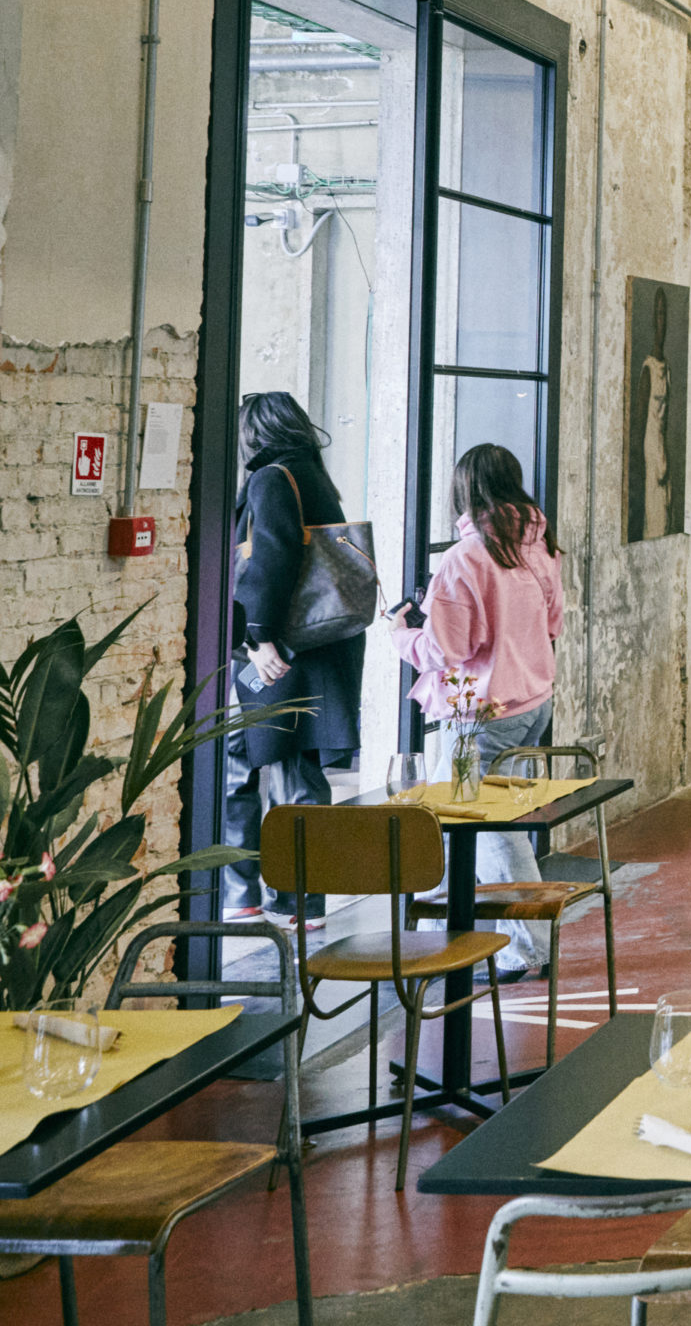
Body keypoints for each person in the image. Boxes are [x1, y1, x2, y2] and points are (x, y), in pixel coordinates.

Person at [388, 443, 565, 977]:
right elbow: (553, 622)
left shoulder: (466, 557)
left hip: (481, 714)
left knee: (486, 827)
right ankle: (447, 932)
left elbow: (448, 649)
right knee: (458, 819)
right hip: (533, 701)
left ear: (464, 490)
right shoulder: (539, 546)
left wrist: (402, 635)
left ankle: (528, 945)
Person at [222, 391, 365, 929]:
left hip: (283, 647)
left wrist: (260, 639)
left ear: (255, 433)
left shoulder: (272, 478)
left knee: (279, 765)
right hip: (317, 645)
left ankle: (287, 898)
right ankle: (263, 893)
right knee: (256, 754)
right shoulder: (311, 475)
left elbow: (273, 560)